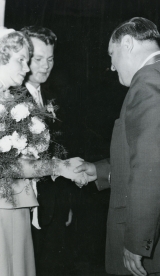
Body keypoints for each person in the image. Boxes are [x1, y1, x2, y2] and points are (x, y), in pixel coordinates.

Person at [0, 26, 86, 276]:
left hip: (17, 204)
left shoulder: (7, 99)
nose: (27, 69)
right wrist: (58, 167)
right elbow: (2, 166)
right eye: (21, 60)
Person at [74, 17, 160, 276]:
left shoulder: (147, 84)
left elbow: (151, 167)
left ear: (127, 43)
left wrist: (137, 242)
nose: (111, 66)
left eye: (112, 55)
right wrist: (100, 172)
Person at [20, 25, 74, 276]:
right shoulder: (10, 100)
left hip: (53, 208)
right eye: (38, 59)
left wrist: (66, 204)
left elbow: (60, 150)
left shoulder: (52, 94)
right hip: (23, 210)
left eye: (50, 59)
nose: (45, 66)